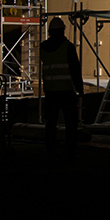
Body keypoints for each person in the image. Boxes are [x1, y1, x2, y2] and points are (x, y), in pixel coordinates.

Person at [40, 17, 84, 163]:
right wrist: (80, 89)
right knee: (71, 124)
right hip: (66, 91)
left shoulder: (43, 47)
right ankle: (70, 152)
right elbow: (75, 70)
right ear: (63, 30)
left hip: (50, 91)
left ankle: (50, 152)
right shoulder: (68, 47)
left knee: (50, 124)